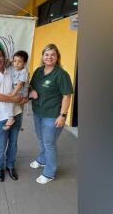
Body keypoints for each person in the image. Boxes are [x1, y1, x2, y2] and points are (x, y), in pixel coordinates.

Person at [29, 43, 73, 184]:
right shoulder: (38, 71)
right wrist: (31, 90)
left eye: (53, 54)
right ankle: (42, 159)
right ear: (42, 56)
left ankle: (49, 172)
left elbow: (67, 96)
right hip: (38, 112)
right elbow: (31, 85)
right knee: (41, 139)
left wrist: (63, 115)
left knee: (49, 143)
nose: (49, 57)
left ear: (57, 57)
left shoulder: (61, 74)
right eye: (46, 54)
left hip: (53, 115)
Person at [0, 48, 28, 182]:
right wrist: (15, 99)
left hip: (17, 113)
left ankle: (10, 165)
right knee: (1, 144)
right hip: (1, 116)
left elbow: (22, 85)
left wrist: (24, 98)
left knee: (13, 143)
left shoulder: (12, 71)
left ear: (4, 58)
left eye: (0, 56)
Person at [3, 50, 30, 130]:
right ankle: (17, 124)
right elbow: (7, 64)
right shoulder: (14, 67)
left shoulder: (24, 71)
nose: (16, 63)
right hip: (16, 90)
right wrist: (12, 60)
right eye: (15, 61)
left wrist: (12, 94)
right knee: (15, 107)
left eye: (19, 62)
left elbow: (20, 85)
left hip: (21, 92)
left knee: (10, 100)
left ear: (24, 63)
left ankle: (11, 118)